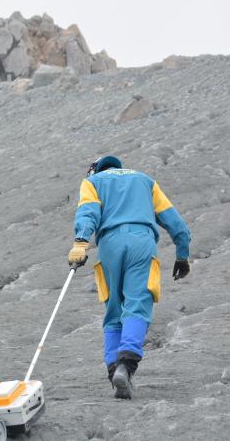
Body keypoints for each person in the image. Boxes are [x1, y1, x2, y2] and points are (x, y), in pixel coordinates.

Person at [68, 156, 191, 399]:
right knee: (138, 303)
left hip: (110, 245)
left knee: (113, 309)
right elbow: (173, 219)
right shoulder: (145, 181)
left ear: (97, 170)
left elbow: (88, 212)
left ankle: (114, 370)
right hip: (141, 242)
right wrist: (182, 254)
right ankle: (126, 366)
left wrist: (81, 242)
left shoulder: (92, 182)